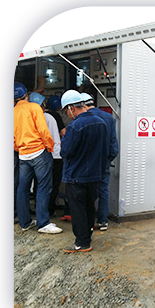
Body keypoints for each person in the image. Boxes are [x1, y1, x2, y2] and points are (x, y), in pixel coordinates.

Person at [60, 90, 109, 253]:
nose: (67, 114)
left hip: (76, 176)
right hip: (95, 175)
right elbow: (106, 149)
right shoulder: (101, 122)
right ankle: (87, 236)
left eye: (66, 110)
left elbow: (65, 152)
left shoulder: (75, 126)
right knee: (89, 207)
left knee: (78, 210)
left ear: (71, 108)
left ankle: (82, 243)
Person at [13, 82, 62, 234]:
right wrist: (49, 147)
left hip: (23, 154)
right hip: (39, 152)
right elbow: (43, 130)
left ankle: (25, 222)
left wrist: (20, 148)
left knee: (23, 188)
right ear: (26, 95)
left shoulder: (13, 112)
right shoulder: (34, 107)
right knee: (43, 187)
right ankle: (43, 223)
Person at [80, 92, 119, 231]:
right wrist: (108, 159)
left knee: (87, 192)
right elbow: (114, 144)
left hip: (86, 163)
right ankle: (103, 221)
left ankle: (88, 223)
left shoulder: (82, 118)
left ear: (83, 104)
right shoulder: (108, 117)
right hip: (103, 162)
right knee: (103, 190)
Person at [29, 93, 63, 217]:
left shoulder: (32, 117)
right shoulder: (48, 117)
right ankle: (49, 210)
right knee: (52, 185)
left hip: (40, 155)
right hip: (54, 154)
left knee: (40, 184)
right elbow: (60, 133)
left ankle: (40, 210)